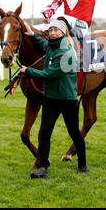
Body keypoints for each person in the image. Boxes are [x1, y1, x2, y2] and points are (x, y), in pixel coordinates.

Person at [20, 19, 88, 179]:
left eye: (56, 30)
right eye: (50, 30)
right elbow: (45, 47)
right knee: (44, 132)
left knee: (74, 133)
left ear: (63, 32)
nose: (52, 33)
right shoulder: (52, 47)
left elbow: (48, 74)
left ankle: (83, 164)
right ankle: (43, 166)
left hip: (67, 100)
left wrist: (28, 71)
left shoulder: (67, 53)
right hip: (50, 99)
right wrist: (32, 35)